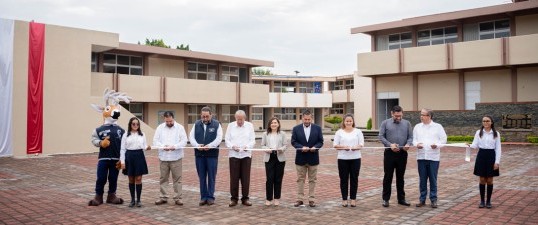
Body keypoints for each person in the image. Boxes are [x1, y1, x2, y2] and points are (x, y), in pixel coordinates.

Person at [412, 109, 447, 208]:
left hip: (433, 157)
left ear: (429, 116)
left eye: (423, 115)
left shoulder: (438, 127)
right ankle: (422, 199)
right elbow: (414, 139)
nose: (421, 117)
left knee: (433, 179)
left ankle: (433, 199)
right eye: (421, 115)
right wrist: (416, 144)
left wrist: (437, 145)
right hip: (421, 156)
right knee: (422, 179)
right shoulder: (417, 127)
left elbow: (444, 139)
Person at [379, 105, 413, 207]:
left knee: (400, 177)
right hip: (389, 153)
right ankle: (385, 199)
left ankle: (401, 199)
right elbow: (381, 136)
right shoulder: (385, 123)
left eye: (400, 115)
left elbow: (410, 137)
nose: (398, 117)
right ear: (392, 113)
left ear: (402, 113)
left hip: (402, 154)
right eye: (396, 116)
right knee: (388, 177)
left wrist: (408, 144)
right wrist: (390, 145)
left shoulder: (407, 123)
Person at [189, 106, 223, 206]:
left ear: (211, 115)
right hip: (199, 155)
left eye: (207, 116)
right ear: (201, 115)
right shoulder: (196, 124)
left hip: (212, 155)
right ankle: (203, 197)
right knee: (202, 177)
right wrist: (196, 145)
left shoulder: (217, 124)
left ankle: (210, 197)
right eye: (203, 116)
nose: (205, 119)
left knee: (211, 177)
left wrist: (211, 146)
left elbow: (219, 138)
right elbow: (191, 137)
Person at [153, 111, 188, 206]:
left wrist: (175, 146)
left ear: (173, 118)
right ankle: (163, 197)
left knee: (177, 179)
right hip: (163, 157)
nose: (169, 123)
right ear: (164, 119)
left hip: (176, 157)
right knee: (163, 178)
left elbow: (184, 141)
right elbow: (155, 141)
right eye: (167, 121)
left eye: (170, 121)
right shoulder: (160, 128)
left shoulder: (180, 128)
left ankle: (178, 198)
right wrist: (163, 146)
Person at [291, 110, 324, 207]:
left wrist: (315, 147)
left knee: (312, 180)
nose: (307, 121)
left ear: (311, 119)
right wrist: (301, 147)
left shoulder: (317, 128)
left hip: (313, 158)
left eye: (309, 119)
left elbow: (321, 141)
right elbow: (294, 142)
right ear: (302, 118)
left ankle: (311, 199)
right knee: (300, 179)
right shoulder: (296, 129)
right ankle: (300, 199)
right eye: (305, 119)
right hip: (300, 158)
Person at [469, 115, 501, 209]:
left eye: (487, 121)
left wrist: (497, 162)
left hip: (491, 156)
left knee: (490, 180)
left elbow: (498, 149)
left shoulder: (496, 134)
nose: (485, 123)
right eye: (484, 121)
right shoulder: (479, 132)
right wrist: (469, 145)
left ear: (491, 122)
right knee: (482, 179)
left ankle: (488, 201)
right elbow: (475, 145)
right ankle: (482, 201)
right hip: (481, 156)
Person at [225, 110, 256, 207]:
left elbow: (252, 140)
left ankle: (245, 198)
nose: (239, 122)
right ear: (235, 118)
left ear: (244, 118)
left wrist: (247, 146)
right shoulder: (230, 126)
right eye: (238, 119)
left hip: (246, 155)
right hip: (234, 155)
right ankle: (234, 199)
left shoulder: (249, 126)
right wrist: (232, 146)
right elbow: (227, 139)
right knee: (234, 178)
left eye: (241, 120)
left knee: (245, 178)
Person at [333, 114, 364, 207]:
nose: (349, 122)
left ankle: (353, 199)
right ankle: (344, 199)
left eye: (350, 121)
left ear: (353, 121)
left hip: (355, 158)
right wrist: (343, 147)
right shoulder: (339, 132)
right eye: (347, 121)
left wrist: (356, 147)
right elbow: (335, 145)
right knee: (344, 179)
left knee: (354, 179)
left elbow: (361, 144)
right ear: (344, 122)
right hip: (343, 159)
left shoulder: (358, 131)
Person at [120, 117, 151, 207]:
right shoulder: (125, 135)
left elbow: (144, 145)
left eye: (137, 124)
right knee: (131, 179)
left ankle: (139, 200)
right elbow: (122, 149)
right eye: (133, 124)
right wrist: (122, 161)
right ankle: (132, 200)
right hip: (129, 156)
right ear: (130, 125)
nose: (135, 125)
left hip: (139, 156)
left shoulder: (142, 134)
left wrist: (147, 147)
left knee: (138, 178)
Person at [261, 117, 287, 206]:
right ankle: (268, 198)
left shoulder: (282, 134)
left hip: (280, 157)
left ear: (278, 124)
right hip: (269, 157)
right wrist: (267, 149)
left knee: (278, 179)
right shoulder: (265, 134)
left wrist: (281, 149)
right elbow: (262, 145)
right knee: (269, 179)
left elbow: (285, 145)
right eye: (272, 123)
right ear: (269, 124)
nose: (274, 124)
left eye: (275, 122)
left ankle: (276, 198)